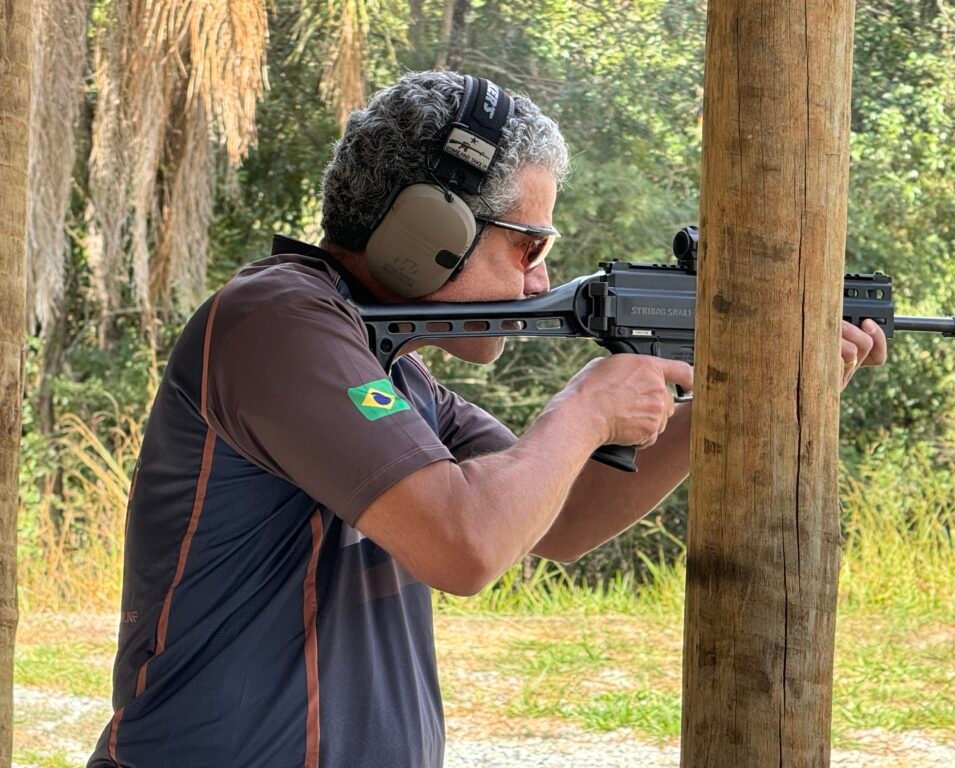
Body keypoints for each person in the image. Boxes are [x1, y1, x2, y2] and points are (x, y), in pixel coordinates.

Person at [89, 70, 887, 768]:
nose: (538, 278)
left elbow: (561, 518)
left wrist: (744, 396)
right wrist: (585, 407)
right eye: (529, 247)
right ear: (428, 233)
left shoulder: (391, 367)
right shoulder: (277, 321)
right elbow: (464, 545)